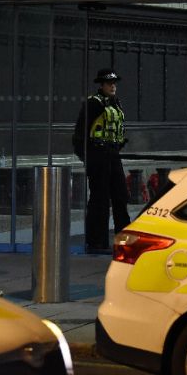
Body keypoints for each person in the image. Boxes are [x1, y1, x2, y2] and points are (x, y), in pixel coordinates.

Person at [72, 68, 131, 254]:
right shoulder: (93, 103)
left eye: (114, 83)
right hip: (98, 155)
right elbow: (80, 132)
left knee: (121, 196)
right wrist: (87, 157)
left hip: (113, 154)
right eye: (109, 83)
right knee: (100, 199)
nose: (113, 86)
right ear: (102, 85)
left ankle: (124, 238)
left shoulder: (115, 103)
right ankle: (97, 241)